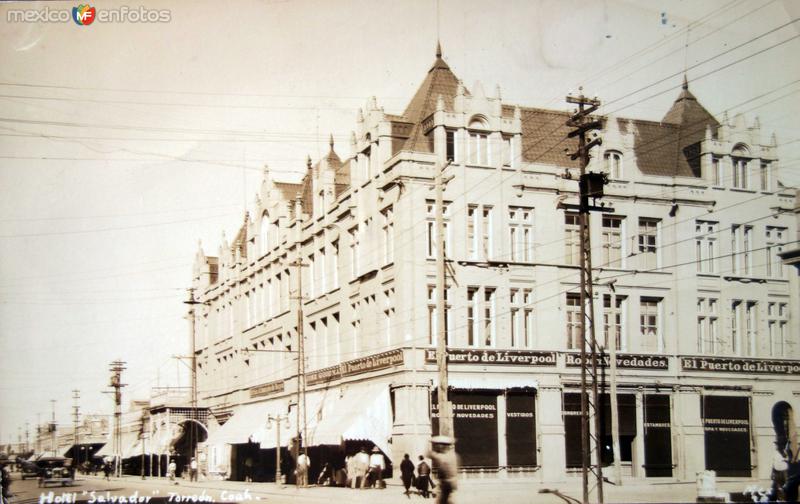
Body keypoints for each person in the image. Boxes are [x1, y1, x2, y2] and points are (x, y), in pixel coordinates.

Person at [427, 436, 458, 504]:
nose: (437, 446)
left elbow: (428, 454)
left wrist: (429, 443)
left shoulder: (443, 457)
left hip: (446, 485)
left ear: (442, 446)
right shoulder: (453, 455)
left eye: (438, 445)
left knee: (442, 501)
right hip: (450, 484)